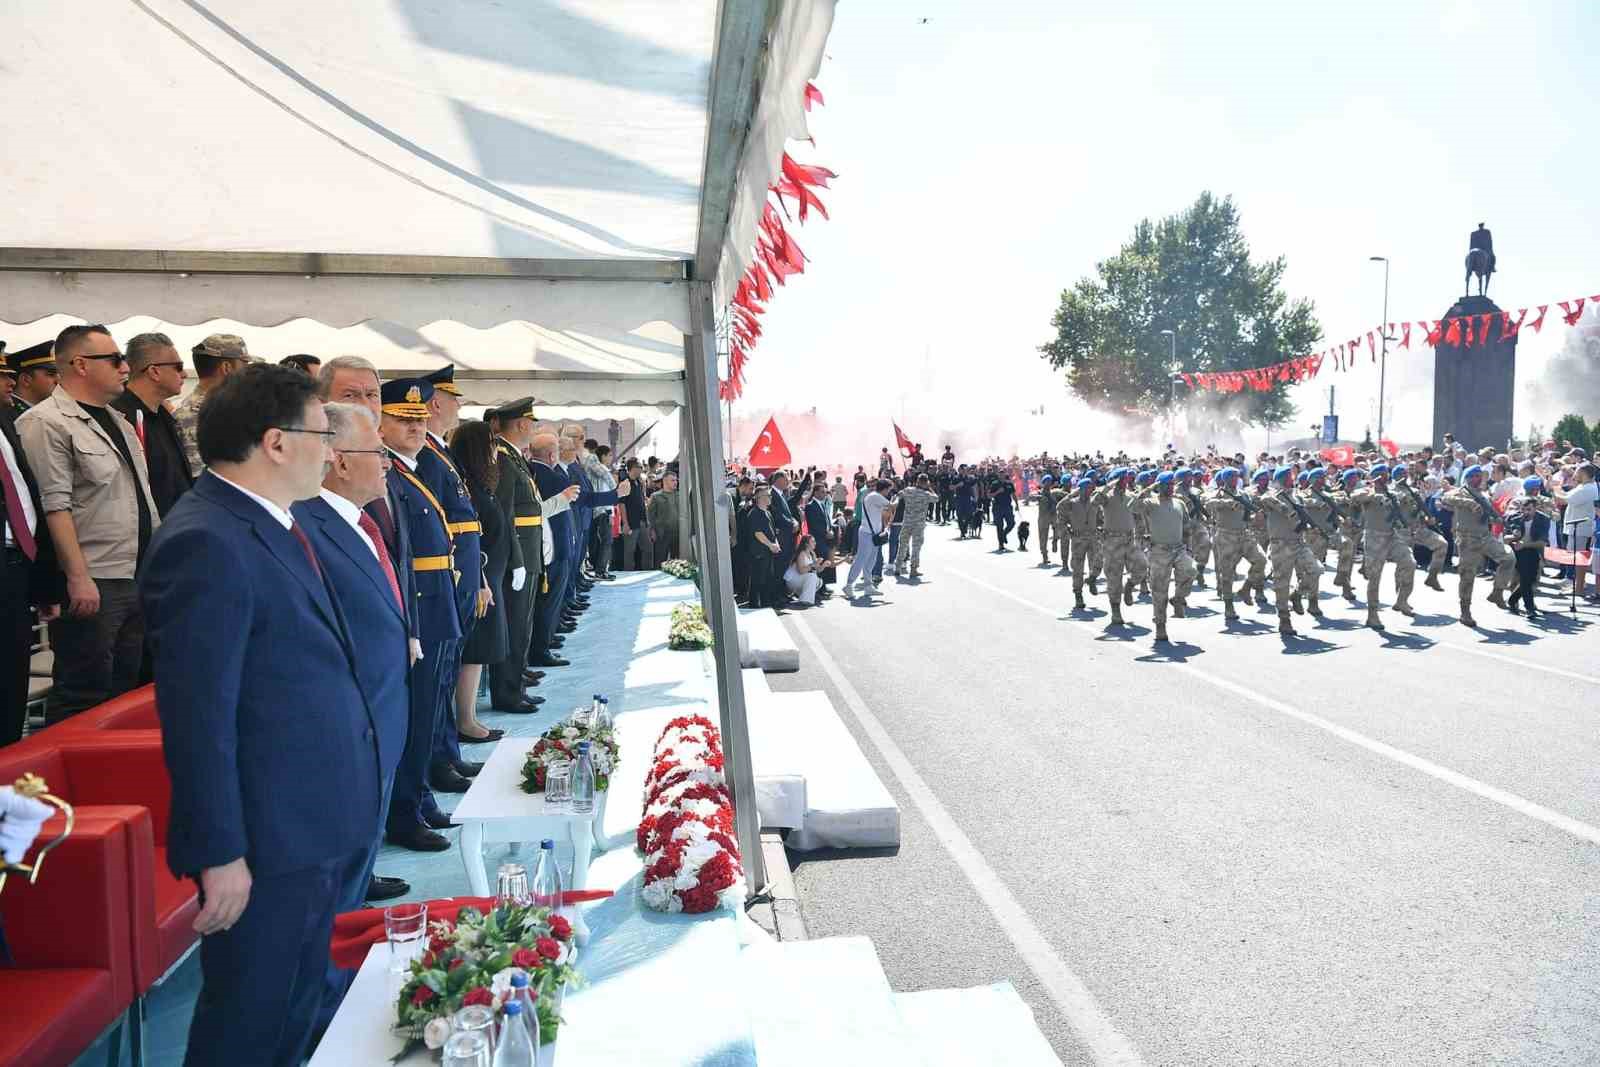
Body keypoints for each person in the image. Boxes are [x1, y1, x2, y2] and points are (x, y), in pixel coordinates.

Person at [140, 364, 380, 1067]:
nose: (330, 453)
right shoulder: (208, 539)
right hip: (270, 838)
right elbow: (198, 715)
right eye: (318, 434)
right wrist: (220, 851)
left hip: (310, 824)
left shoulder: (266, 522)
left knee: (294, 1009)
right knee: (250, 1021)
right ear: (276, 442)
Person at [292, 401, 415, 1020]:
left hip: (380, 722)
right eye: (379, 453)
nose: (390, 465)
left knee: (358, 867)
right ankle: (319, 1011)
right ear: (339, 462)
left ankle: (336, 985)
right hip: (346, 733)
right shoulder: (307, 529)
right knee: (332, 884)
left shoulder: (361, 522)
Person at [18, 324, 160, 723]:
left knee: (124, 691)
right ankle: (60, 786)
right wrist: (78, 577)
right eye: (115, 359)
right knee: (85, 693)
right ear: (80, 364)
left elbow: (140, 498)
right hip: (95, 577)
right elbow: (52, 506)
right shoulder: (46, 422)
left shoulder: (118, 421)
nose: (125, 368)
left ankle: (110, 781)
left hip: (135, 572)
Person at [378, 378, 466, 851]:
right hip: (418, 604)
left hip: (436, 597)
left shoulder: (410, 470)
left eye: (418, 419)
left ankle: (421, 796)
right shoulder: (389, 475)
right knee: (418, 712)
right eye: (401, 420)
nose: (414, 427)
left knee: (432, 706)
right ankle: (406, 811)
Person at [0, 395, 63, 745]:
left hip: (16, 572)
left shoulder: (6, 421)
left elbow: (27, 502)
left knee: (10, 693)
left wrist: (44, 585)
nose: (9, 382)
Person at [448, 422, 508, 743]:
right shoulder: (468, 486)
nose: (495, 451)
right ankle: (466, 721)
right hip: (480, 578)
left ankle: (469, 716)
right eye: (490, 445)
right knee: (474, 651)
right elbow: (472, 542)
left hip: (490, 577)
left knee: (480, 651)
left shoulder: (478, 484)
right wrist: (480, 579)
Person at [111, 332, 194, 516]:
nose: (184, 373)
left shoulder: (163, 415)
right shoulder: (119, 420)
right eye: (178, 367)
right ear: (154, 371)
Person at [1438, 465, 1514, 627]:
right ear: (1468, 477)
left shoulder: (1484, 494)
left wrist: (1497, 519)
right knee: (1467, 575)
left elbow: (1492, 513)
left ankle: (1497, 591)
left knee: (1508, 558)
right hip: (1467, 539)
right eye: (1475, 476)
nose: (1479, 479)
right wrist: (1467, 502)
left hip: (1485, 536)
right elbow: (1445, 498)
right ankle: (1465, 611)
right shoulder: (1461, 491)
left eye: (1480, 476)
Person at [171, 333, 253, 476]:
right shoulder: (193, 415)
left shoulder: (226, 408)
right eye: (244, 364)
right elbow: (199, 476)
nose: (247, 372)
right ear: (227, 367)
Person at [1130, 471, 1197, 643]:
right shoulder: (1150, 503)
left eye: (1172, 484)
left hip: (1179, 549)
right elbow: (1132, 506)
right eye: (1167, 484)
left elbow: (1187, 528)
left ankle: (1179, 598)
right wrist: (1150, 488)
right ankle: (1160, 625)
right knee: (1159, 591)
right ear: (1160, 486)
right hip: (1159, 551)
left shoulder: (1179, 503)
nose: (1171, 487)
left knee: (1191, 570)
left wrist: (1189, 548)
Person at [1349, 464, 1416, 629]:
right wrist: (1374, 493)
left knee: (1410, 562)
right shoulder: (1368, 492)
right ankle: (1372, 614)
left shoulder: (1392, 493)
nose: (1387, 477)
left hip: (1392, 536)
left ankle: (1402, 601)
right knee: (1375, 577)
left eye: (1387, 474)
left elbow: (1403, 499)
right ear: (1377, 476)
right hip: (1374, 538)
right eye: (1384, 475)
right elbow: (1355, 497)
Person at [1258, 467, 1322, 635]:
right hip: (1280, 545)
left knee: (1315, 570)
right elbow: (1265, 499)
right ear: (1280, 479)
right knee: (1282, 583)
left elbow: (1305, 513)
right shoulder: (1273, 496)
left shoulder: (1297, 496)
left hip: (1299, 543)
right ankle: (1284, 619)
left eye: (1291, 476)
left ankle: (1297, 594)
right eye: (1287, 476)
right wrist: (1287, 509)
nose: (1291, 478)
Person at [1206, 468, 1266, 622]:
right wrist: (1228, 503)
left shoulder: (1243, 494)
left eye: (1236, 476)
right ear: (1225, 479)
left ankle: (1245, 588)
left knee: (1261, 560)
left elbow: (1247, 516)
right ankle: (1228, 604)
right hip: (1226, 536)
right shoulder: (1218, 493)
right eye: (1232, 476)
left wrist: (1256, 517)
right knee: (1227, 573)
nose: (1235, 478)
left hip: (1244, 534)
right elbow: (1209, 503)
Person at [1504, 478, 1554, 616]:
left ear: (1535, 509)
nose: (1526, 512)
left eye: (1529, 509)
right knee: (1525, 579)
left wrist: (1525, 544)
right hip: (1517, 552)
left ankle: (1513, 600)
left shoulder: (1543, 519)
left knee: (1531, 579)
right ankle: (1529, 608)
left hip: (1533, 549)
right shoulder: (1514, 518)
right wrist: (1514, 537)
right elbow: (1505, 538)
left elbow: (1543, 541)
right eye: (1524, 509)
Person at [1552, 462, 1596, 599]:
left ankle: (1579, 588)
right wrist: (1556, 487)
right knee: (1576, 558)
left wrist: (1554, 487)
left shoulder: (1588, 488)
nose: (1574, 474)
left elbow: (1563, 499)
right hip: (1576, 528)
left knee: (1579, 559)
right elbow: (1565, 494)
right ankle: (1577, 586)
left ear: (1583, 473)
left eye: (1576, 471)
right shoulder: (1583, 486)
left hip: (1581, 529)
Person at [843, 478, 893, 597]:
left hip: (873, 533)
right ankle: (848, 585)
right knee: (861, 560)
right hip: (867, 533)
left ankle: (868, 585)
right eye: (889, 490)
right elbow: (892, 505)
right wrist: (901, 497)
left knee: (871, 560)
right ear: (884, 489)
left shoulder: (874, 496)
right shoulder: (875, 496)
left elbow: (884, 511)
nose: (889, 493)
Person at [893, 472, 937, 578]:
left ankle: (898, 567)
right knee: (916, 547)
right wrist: (930, 488)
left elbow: (898, 495)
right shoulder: (926, 494)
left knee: (903, 545)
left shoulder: (908, 490)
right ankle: (913, 569)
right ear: (925, 482)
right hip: (918, 524)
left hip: (907, 522)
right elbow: (936, 498)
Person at [747, 485, 782, 609]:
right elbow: (758, 533)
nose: (770, 497)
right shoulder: (755, 513)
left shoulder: (767, 513)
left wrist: (776, 544)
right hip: (759, 552)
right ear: (760, 497)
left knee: (767, 579)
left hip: (768, 552)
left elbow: (773, 531)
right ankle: (755, 605)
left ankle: (766, 603)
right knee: (758, 580)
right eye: (768, 495)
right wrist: (770, 545)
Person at [617, 457, 652, 571]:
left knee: (647, 548)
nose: (641, 469)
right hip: (631, 523)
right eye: (639, 467)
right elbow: (622, 504)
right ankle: (628, 574)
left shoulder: (639, 483)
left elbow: (642, 500)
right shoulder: (625, 483)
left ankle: (647, 571)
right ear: (633, 468)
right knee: (629, 551)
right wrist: (625, 524)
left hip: (642, 521)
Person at [8, 340, 59, 414]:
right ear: (26, 380)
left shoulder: (41, 411)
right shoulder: (8, 414)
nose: (58, 381)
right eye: (51, 374)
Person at [647, 469, 680, 565]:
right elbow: (650, 515)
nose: (675, 482)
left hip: (677, 533)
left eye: (676, 480)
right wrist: (652, 531)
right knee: (660, 560)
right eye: (672, 480)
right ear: (665, 481)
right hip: (662, 533)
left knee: (676, 561)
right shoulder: (656, 496)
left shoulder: (679, 495)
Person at [785, 533, 823, 606]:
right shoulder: (801, 553)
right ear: (806, 544)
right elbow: (801, 571)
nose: (815, 543)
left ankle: (804, 598)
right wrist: (813, 565)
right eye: (812, 541)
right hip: (792, 579)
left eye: (814, 541)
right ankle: (805, 600)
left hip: (801, 579)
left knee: (819, 581)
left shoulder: (812, 553)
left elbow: (817, 570)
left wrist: (823, 565)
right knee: (812, 577)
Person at [990, 476, 1016, 550]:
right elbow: (989, 495)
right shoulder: (994, 484)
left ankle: (1004, 534)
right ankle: (1001, 544)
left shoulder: (1009, 484)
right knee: (999, 526)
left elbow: (1013, 494)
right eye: (1000, 473)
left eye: (1003, 473)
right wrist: (998, 491)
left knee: (1011, 523)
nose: (1002, 475)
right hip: (998, 507)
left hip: (1007, 506)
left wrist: (1017, 504)